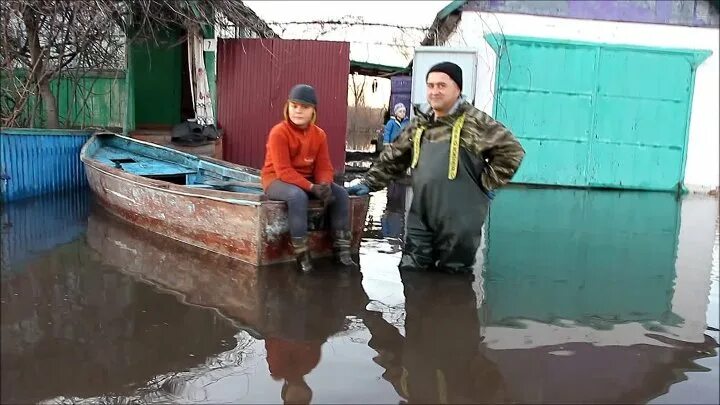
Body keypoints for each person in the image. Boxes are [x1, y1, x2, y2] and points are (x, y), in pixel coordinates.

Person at [346, 62, 525, 273]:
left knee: (453, 282)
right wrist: (369, 182)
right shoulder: (420, 124)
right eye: (430, 85)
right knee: (411, 271)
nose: (434, 91)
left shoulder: (476, 122)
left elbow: (512, 151)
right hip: (421, 215)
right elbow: (394, 157)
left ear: (457, 89)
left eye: (441, 85)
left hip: (460, 220)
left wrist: (488, 182)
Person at [261, 84, 357, 273]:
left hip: (308, 180)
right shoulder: (279, 132)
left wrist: (324, 184)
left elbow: (324, 166)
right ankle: (303, 257)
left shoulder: (319, 135)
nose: (298, 111)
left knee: (342, 195)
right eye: (294, 105)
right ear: (287, 107)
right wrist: (312, 188)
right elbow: (283, 171)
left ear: (313, 110)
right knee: (297, 197)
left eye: (304, 107)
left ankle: (342, 253)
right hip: (276, 180)